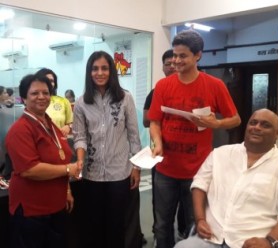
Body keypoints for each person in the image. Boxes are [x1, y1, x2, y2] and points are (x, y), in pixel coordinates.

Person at [147, 30, 241, 248]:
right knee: (162, 225)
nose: (176, 61)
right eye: (174, 55)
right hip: (165, 169)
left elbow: (235, 119)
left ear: (198, 55)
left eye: (182, 56)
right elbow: (155, 122)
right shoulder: (163, 86)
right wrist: (157, 143)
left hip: (198, 172)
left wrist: (215, 124)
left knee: (194, 224)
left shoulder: (215, 85)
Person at [175, 108, 278, 248]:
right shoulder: (220, 154)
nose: (257, 127)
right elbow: (199, 185)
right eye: (253, 123)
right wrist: (200, 219)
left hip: (251, 242)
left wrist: (270, 242)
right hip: (210, 237)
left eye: (265, 125)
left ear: (277, 133)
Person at [72, 51, 141, 248]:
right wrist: (79, 161)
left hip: (119, 173)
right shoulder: (81, 102)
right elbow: (80, 137)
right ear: (89, 72)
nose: (99, 73)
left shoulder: (125, 98)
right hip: (92, 174)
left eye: (104, 68)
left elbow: (133, 135)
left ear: (111, 71)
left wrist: (135, 167)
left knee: (116, 225)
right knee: (94, 225)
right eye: (95, 69)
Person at [5, 73, 81, 248]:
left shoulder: (50, 124)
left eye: (46, 92)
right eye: (34, 93)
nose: (41, 97)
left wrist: (67, 190)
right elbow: (29, 169)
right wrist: (68, 170)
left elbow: (60, 158)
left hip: (55, 206)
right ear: (24, 98)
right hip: (32, 211)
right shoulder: (20, 130)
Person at [143, 49, 187, 241]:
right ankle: (158, 236)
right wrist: (162, 116)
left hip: (190, 161)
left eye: (176, 61)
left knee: (189, 209)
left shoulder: (194, 87)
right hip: (161, 158)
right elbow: (147, 120)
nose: (172, 65)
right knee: (161, 210)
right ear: (162, 67)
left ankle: (184, 234)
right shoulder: (157, 90)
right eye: (168, 63)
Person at [36, 68, 73, 137]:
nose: (49, 83)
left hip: (60, 143)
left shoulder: (64, 101)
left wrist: (68, 127)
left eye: (51, 81)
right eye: (45, 80)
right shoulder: (34, 101)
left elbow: (71, 122)